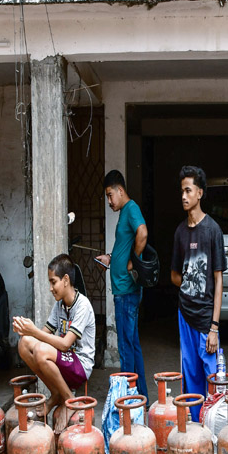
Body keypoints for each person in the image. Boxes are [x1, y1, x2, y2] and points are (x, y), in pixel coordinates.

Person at [14, 254, 96, 431]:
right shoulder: (59, 306)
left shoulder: (82, 305)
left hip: (80, 365)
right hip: (66, 360)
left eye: (53, 282)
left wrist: (34, 331)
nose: (51, 288)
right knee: (24, 344)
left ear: (66, 280)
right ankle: (56, 393)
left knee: (42, 350)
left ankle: (68, 401)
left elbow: (65, 344)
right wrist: (25, 330)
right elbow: (40, 336)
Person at [171, 165, 226, 422]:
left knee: (213, 376)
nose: (184, 196)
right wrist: (189, 284)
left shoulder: (212, 230)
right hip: (185, 315)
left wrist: (214, 326)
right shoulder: (180, 233)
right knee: (190, 374)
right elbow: (174, 275)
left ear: (200, 193)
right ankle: (194, 429)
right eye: (182, 190)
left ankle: (214, 427)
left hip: (206, 318)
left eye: (188, 190)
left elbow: (218, 280)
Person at [96, 170, 148, 397]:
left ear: (120, 190)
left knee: (126, 348)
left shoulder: (131, 208)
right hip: (124, 290)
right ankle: (141, 397)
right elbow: (126, 242)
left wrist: (131, 262)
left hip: (127, 291)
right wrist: (112, 258)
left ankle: (128, 400)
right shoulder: (125, 212)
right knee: (132, 345)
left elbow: (142, 233)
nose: (109, 201)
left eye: (110, 195)